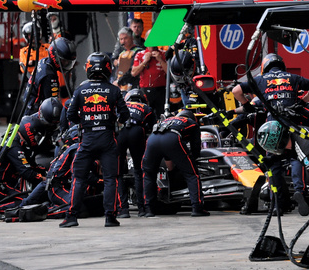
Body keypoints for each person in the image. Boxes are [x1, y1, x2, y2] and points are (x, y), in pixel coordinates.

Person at [60, 52, 125, 228]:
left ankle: (71, 217)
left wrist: (86, 119)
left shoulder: (81, 90)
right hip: (108, 139)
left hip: (87, 139)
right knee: (111, 178)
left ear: (89, 68)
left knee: (78, 177)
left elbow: (70, 115)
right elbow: (125, 116)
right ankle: (110, 217)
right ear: (107, 68)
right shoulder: (114, 90)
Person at [141, 98, 207, 218]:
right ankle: (197, 207)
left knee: (148, 175)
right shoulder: (192, 123)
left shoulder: (167, 120)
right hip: (172, 139)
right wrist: (190, 162)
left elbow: (168, 159)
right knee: (192, 174)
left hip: (152, 139)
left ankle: (149, 209)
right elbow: (195, 149)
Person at [117, 89, 155, 217]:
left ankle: (123, 210)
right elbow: (153, 128)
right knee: (139, 171)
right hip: (137, 132)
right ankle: (143, 208)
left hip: (120, 132)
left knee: (118, 173)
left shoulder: (121, 104)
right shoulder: (146, 107)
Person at [25, 35, 74, 116]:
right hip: (36, 113)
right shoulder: (49, 75)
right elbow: (52, 105)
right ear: (55, 57)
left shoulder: (43, 61)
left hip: (29, 105)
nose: (66, 64)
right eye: (64, 61)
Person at [131, 42, 167, 116]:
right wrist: (145, 61)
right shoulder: (140, 54)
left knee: (161, 115)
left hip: (161, 90)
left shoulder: (164, 54)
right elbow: (134, 73)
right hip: (145, 90)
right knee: (145, 114)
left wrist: (160, 60)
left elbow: (169, 72)